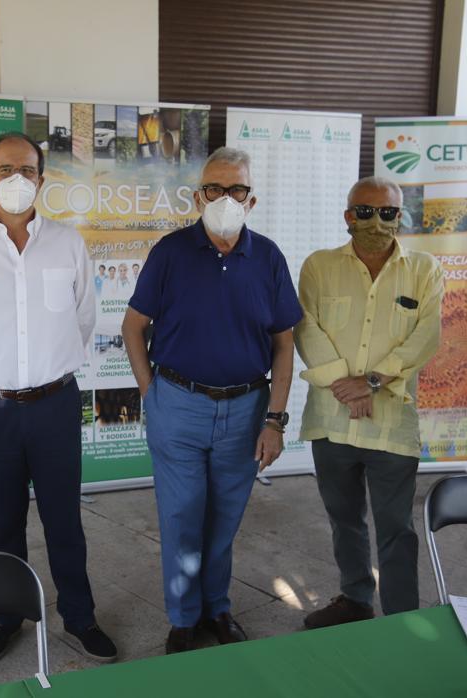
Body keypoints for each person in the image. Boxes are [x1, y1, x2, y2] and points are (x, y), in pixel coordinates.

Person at [0, 132, 117, 664]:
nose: (18, 179)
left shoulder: (67, 243)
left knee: (65, 520)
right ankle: (6, 615)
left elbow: (84, 318)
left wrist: (47, 368)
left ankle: (80, 617)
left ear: (43, 178)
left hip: (55, 405)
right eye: (7, 169)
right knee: (3, 522)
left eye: (29, 170)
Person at [122, 147, 302, 654]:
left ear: (252, 198)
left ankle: (217, 608)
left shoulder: (267, 257)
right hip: (177, 404)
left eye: (236, 190)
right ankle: (183, 618)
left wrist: (275, 421)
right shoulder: (170, 252)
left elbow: (284, 344)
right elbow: (134, 327)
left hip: (247, 411)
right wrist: (149, 393)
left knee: (223, 521)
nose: (226, 198)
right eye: (215, 189)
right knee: (181, 518)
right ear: (198, 195)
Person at [294, 176, 443, 628]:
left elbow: (427, 336)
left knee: (397, 528)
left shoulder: (424, 269)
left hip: (391, 421)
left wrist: (372, 382)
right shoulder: (319, 266)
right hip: (333, 418)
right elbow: (306, 328)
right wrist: (348, 385)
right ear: (348, 216)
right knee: (344, 520)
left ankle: (400, 620)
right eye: (365, 211)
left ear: (400, 217)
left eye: (388, 213)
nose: (376, 221)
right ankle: (355, 599)